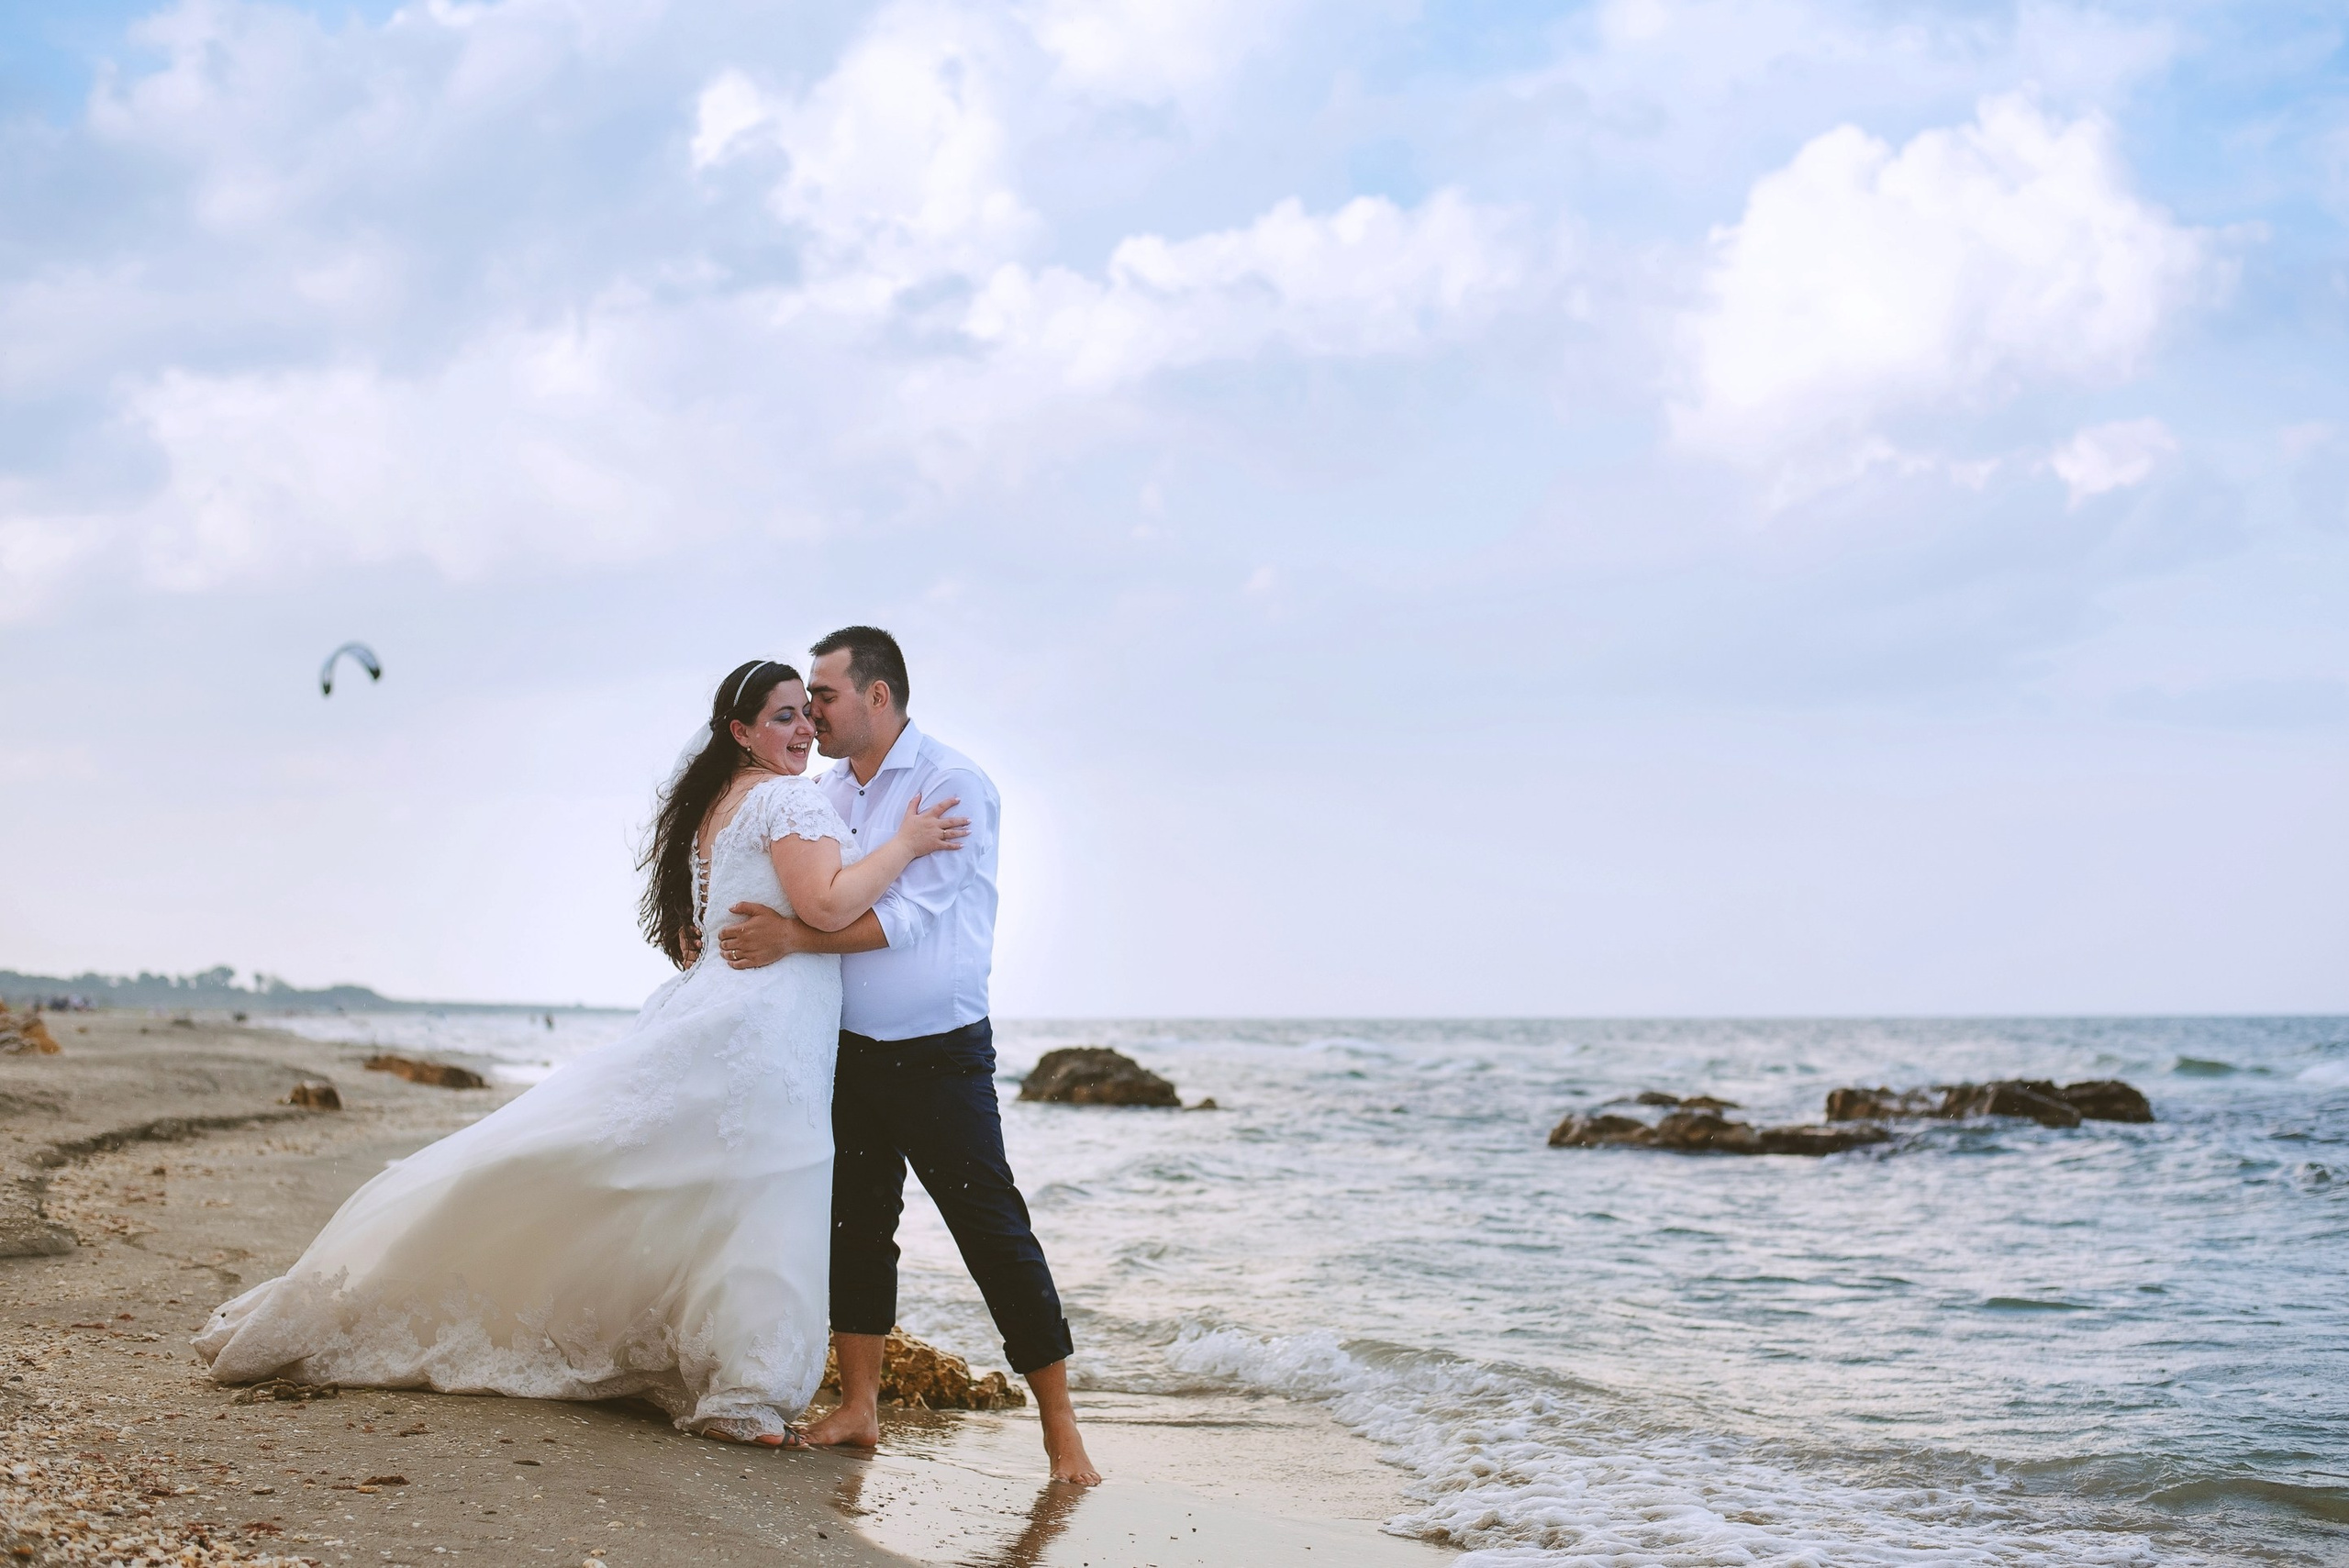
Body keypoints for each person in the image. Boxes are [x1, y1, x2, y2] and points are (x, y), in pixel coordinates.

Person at [193, 661, 965, 1447]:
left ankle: (727, 1378)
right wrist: (906, 842)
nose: (803, 729)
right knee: (760, 1188)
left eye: (807, 713)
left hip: (743, 1017)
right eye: (783, 717)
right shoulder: (786, 796)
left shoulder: (722, 802)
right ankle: (742, 1388)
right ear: (741, 732)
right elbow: (828, 902)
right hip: (763, 1030)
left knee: (715, 1187)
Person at [715, 626, 1102, 1485]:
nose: (812, 710)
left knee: (992, 1231)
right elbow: (805, 893)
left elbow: (908, 918)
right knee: (857, 1228)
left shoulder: (950, 784)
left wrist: (792, 940)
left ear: (877, 696)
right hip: (847, 1052)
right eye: (807, 697)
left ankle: (1063, 1431)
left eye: (825, 694)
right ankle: (857, 1408)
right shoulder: (825, 792)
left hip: (939, 1055)